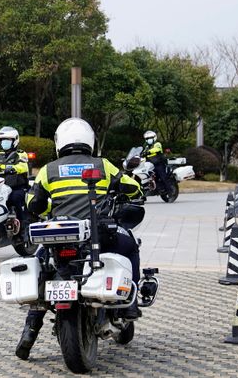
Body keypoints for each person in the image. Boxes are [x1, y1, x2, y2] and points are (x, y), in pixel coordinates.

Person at [15, 117, 142, 361]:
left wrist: (47, 208)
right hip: (99, 236)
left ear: (59, 143)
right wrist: (134, 190)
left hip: (59, 238)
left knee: (43, 270)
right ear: (90, 142)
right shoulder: (103, 166)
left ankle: (29, 333)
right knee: (131, 247)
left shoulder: (48, 170)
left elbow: (33, 203)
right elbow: (130, 186)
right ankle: (129, 305)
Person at [0, 126, 31, 231]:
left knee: (14, 198)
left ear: (15, 141)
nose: (4, 142)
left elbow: (23, 166)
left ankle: (23, 224)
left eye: (7, 140)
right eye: (2, 140)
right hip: (1, 187)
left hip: (18, 187)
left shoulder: (21, 154)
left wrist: (11, 168)